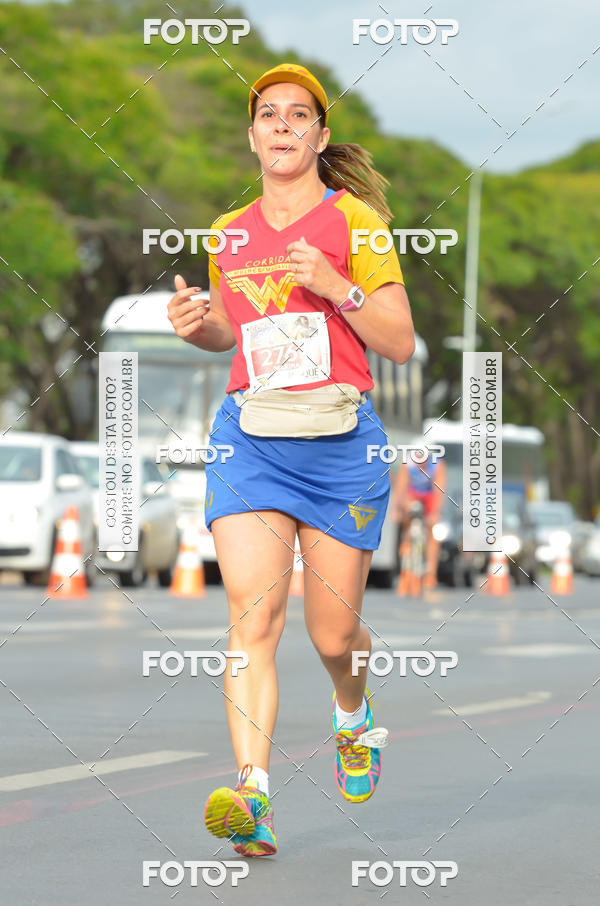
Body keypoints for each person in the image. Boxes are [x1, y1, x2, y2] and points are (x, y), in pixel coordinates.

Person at [167, 62, 415, 857]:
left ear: (320, 135)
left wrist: (337, 286)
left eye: (297, 114)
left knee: (333, 636)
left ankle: (354, 715)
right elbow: (230, 337)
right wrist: (194, 323)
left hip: (339, 443)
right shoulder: (228, 233)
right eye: (268, 114)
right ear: (252, 135)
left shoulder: (358, 224)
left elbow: (401, 343)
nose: (281, 125)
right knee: (252, 620)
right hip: (252, 438)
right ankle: (254, 797)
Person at [392, 445, 446, 588]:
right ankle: (406, 559)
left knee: (433, 532)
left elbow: (439, 490)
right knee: (407, 518)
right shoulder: (407, 464)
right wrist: (398, 509)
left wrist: (435, 513)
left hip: (429, 495)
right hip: (413, 493)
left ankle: (430, 573)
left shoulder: (437, 465)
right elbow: (401, 488)